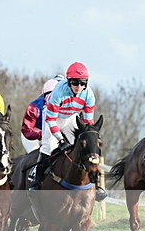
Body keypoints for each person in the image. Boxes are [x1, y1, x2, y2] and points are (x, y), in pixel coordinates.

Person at [33, 62, 106, 201]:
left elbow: (87, 123)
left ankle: (94, 184)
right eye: (75, 83)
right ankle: (36, 182)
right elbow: (51, 120)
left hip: (71, 118)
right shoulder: (59, 92)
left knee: (82, 148)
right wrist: (60, 140)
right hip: (52, 118)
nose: (78, 87)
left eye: (82, 83)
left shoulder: (89, 95)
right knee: (48, 147)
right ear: (68, 82)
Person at [20, 75, 63, 153]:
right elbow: (26, 130)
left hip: (52, 135)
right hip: (33, 138)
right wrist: (42, 133)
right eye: (49, 95)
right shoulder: (34, 107)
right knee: (36, 157)